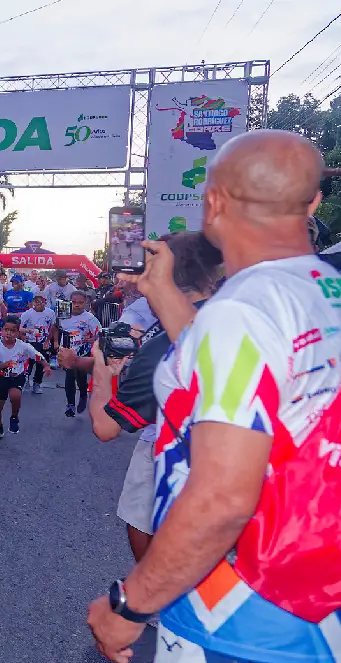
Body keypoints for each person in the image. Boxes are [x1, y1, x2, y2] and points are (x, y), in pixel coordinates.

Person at [87, 130, 341, 663]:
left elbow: (223, 496)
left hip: (246, 628)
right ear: (314, 204)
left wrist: (131, 605)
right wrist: (165, 294)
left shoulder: (241, 314)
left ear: (215, 204)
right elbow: (261, 376)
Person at [81, 232, 223, 566]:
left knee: (142, 521)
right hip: (246, 462)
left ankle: (157, 596)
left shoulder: (160, 350)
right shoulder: (246, 315)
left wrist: (102, 373)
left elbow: (105, 427)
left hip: (174, 453)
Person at [0, 316, 48, 440]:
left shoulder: (23, 346)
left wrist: (46, 366)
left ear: (18, 333)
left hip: (17, 377)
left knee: (15, 395)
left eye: (13, 330)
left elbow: (37, 356)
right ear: (2, 330)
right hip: (1, 377)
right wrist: (3, 365)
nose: (9, 333)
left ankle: (14, 417)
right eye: (6, 329)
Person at [57, 291, 100, 417]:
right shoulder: (63, 313)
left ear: (85, 303)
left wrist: (93, 339)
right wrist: (54, 342)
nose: (76, 305)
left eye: (80, 303)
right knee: (69, 376)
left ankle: (83, 394)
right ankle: (70, 405)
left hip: (82, 352)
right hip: (66, 351)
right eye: (74, 302)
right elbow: (56, 327)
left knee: (81, 378)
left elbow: (100, 334)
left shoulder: (90, 318)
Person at [18, 293, 57, 394]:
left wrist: (50, 341)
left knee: (41, 363)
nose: (39, 304)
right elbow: (19, 327)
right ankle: (25, 380)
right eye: (37, 301)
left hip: (44, 342)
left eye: (42, 301)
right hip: (31, 341)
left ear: (45, 302)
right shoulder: (27, 314)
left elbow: (53, 328)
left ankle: (37, 383)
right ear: (33, 303)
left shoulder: (51, 313)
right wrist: (23, 336)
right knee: (29, 363)